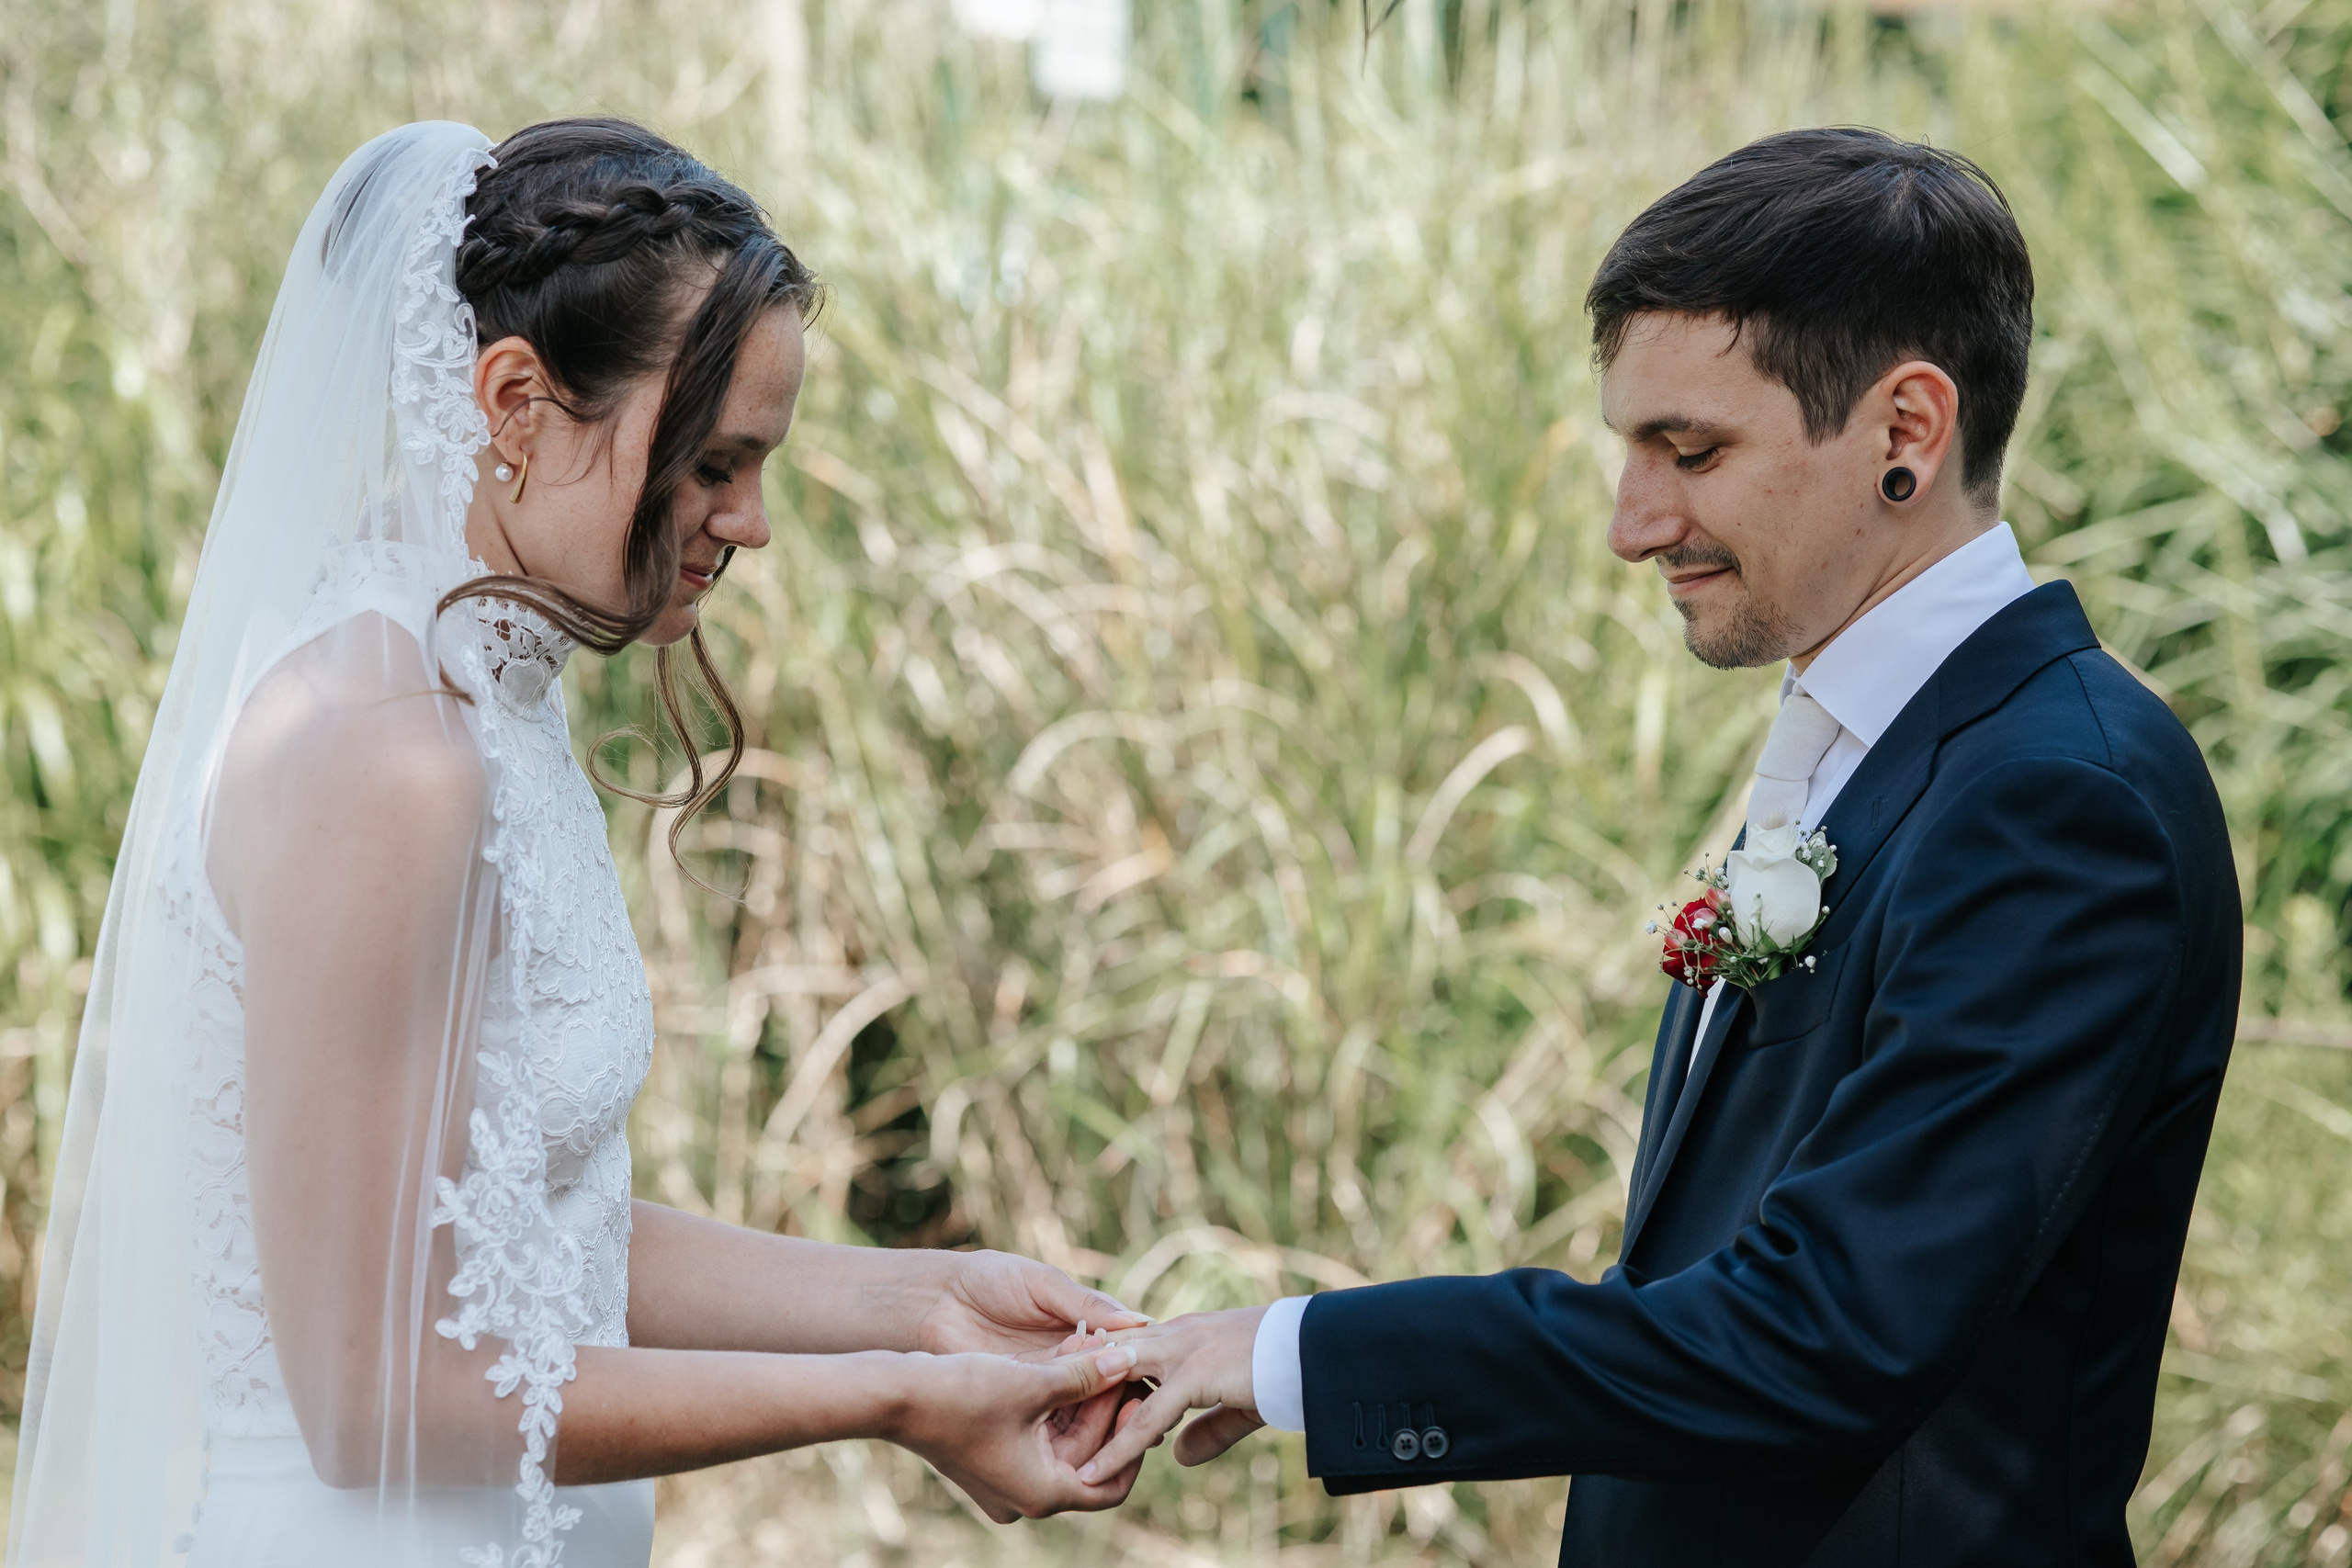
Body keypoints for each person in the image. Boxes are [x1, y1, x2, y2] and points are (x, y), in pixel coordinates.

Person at [1087, 128, 2242, 1566]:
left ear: (1906, 430)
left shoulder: (2062, 802)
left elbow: (1822, 1333)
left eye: (1688, 452)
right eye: (1631, 449)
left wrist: (1296, 1360)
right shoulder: (1879, 742)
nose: (1634, 527)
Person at [6, 118, 1146, 1568]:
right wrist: (897, 1401)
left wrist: (922, 1303)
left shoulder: (478, 686)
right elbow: (374, 1393)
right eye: (716, 462)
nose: (751, 520)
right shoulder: (384, 753)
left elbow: (522, 1240)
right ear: (515, 401)